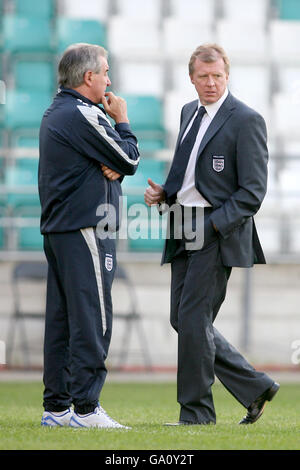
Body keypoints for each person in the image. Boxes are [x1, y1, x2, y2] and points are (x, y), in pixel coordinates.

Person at [144, 43, 279, 425]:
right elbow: (187, 171)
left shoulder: (246, 119)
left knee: (192, 317)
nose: (210, 83)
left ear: (227, 76)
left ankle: (197, 413)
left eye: (217, 76)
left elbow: (252, 193)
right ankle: (254, 386)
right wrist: (164, 193)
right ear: (191, 78)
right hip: (181, 223)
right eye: (203, 77)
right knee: (184, 319)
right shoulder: (189, 111)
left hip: (217, 229)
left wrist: (213, 226)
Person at [39, 43, 140, 428]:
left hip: (62, 229)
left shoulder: (56, 111)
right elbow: (129, 158)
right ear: (89, 77)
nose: (110, 80)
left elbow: (116, 162)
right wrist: (123, 122)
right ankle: (86, 408)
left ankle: (58, 408)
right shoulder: (82, 113)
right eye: (106, 72)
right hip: (86, 228)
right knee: (93, 318)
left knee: (62, 320)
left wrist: (110, 159)